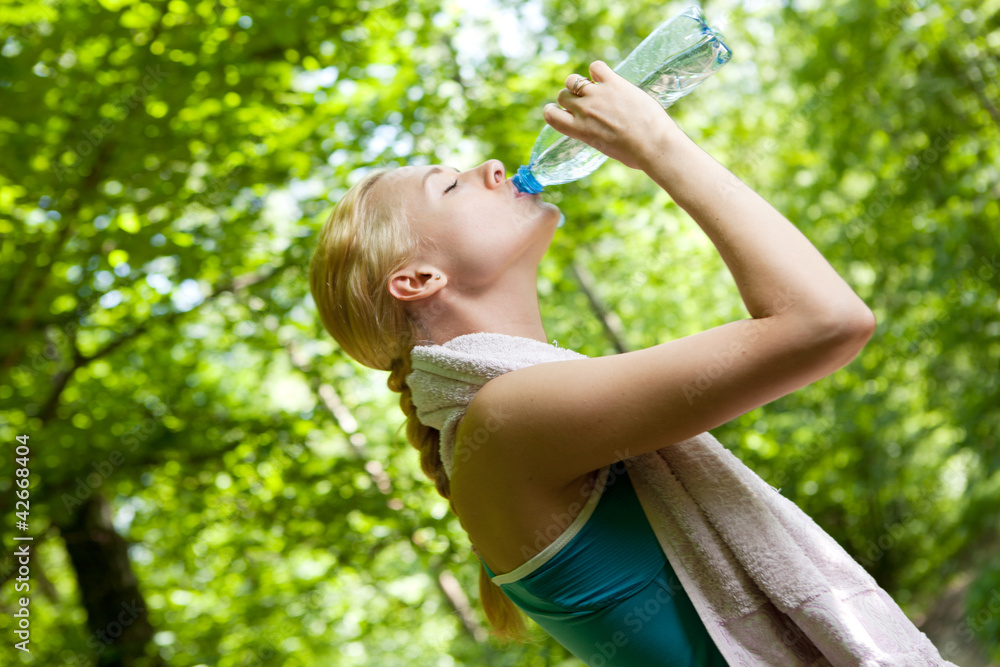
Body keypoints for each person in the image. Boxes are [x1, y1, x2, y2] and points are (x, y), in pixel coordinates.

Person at [309, 60, 876, 665]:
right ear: (419, 279)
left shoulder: (509, 412)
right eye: (449, 185)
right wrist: (657, 143)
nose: (492, 168)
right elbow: (826, 323)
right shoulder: (505, 419)